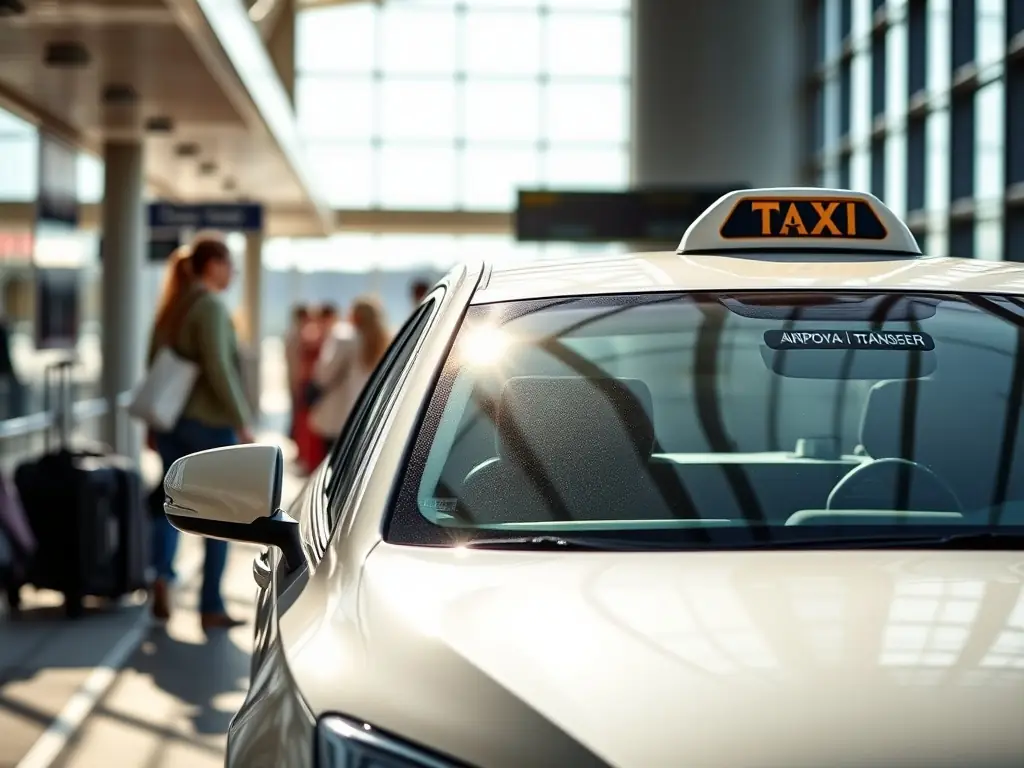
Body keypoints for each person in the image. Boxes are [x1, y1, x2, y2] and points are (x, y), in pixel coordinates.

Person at [146, 237, 254, 631]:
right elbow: (219, 367)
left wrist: (150, 427)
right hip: (208, 424)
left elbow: (153, 367)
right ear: (212, 265)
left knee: (169, 500)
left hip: (171, 423)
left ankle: (161, 575)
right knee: (218, 513)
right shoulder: (209, 306)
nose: (233, 273)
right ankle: (210, 605)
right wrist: (241, 419)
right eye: (229, 264)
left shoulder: (171, 306)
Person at [309, 296, 391, 452]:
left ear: (356, 315)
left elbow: (324, 373)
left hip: (339, 412)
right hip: (367, 411)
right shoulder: (384, 341)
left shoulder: (345, 338)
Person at [291, 303, 330, 474]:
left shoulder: (311, 333)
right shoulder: (319, 333)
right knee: (307, 424)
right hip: (310, 383)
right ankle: (309, 459)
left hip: (310, 383)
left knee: (308, 424)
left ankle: (310, 460)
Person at [284, 304, 309, 441]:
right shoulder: (297, 334)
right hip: (297, 379)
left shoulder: (291, 332)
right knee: (297, 412)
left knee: (295, 411)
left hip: (294, 377)